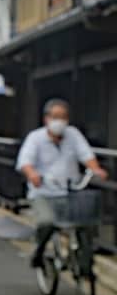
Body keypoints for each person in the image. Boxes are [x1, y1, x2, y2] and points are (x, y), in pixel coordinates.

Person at [16, 98, 108, 269]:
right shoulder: (35, 138)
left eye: (63, 117)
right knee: (47, 222)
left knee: (86, 224)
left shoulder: (73, 134)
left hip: (70, 191)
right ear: (46, 118)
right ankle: (39, 250)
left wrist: (96, 169)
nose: (59, 121)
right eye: (55, 116)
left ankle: (85, 267)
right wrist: (32, 174)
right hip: (44, 192)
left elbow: (86, 155)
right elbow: (25, 162)